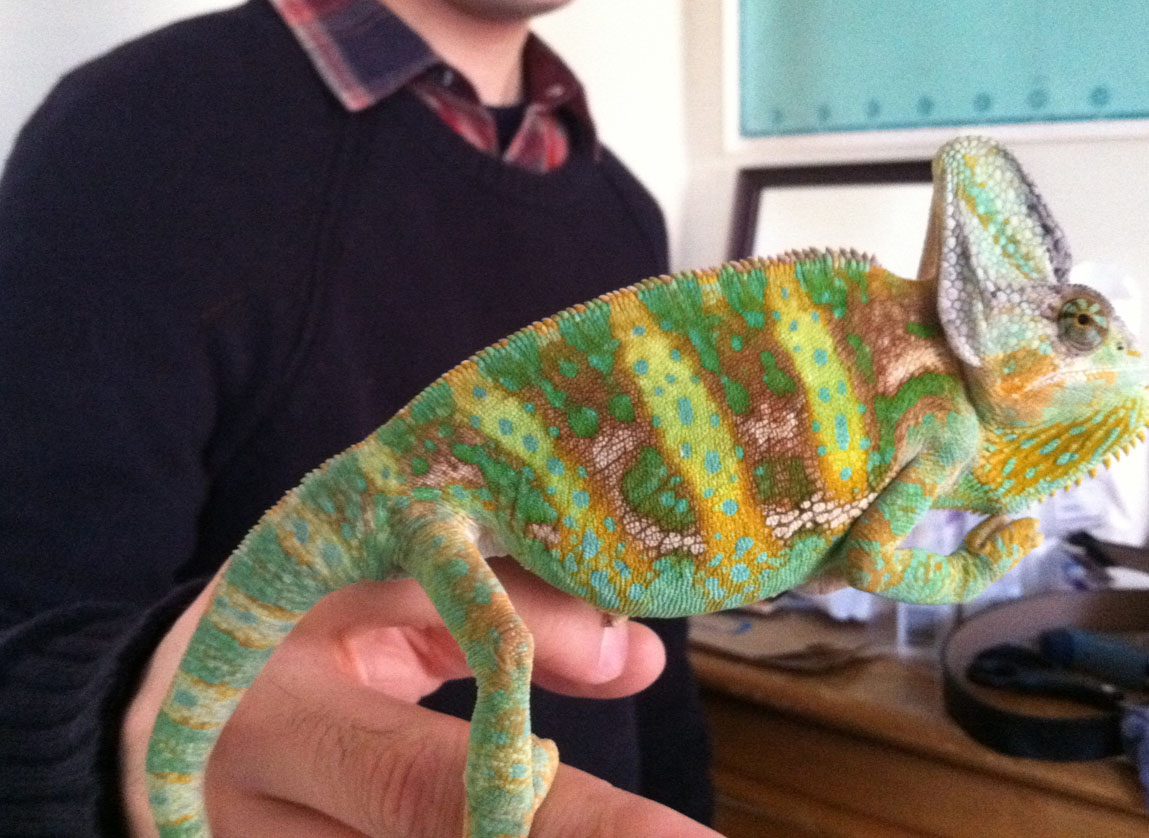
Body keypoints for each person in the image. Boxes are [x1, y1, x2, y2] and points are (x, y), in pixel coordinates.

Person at [0, 0, 717, 835]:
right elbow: (29, 614)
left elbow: (651, 639)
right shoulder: (138, 126)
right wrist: (115, 751)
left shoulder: (622, 207)